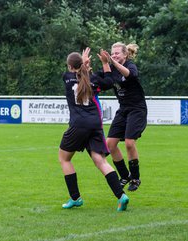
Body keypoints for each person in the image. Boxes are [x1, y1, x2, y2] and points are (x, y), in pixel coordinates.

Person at [59, 47, 129, 211]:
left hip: (78, 124)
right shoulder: (93, 79)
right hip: (95, 124)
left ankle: (75, 198)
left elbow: (76, 73)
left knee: (64, 159)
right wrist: (105, 63)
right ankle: (121, 195)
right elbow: (110, 81)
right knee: (101, 161)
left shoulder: (67, 77)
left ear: (70, 66)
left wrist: (83, 62)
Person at [97, 42, 147, 192]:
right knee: (110, 144)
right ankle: (125, 176)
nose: (114, 56)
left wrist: (112, 63)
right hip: (123, 109)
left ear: (125, 55)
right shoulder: (111, 68)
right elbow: (102, 80)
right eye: (112, 54)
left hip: (137, 109)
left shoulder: (130, 65)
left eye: (117, 53)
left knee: (129, 143)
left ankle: (136, 178)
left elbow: (130, 75)